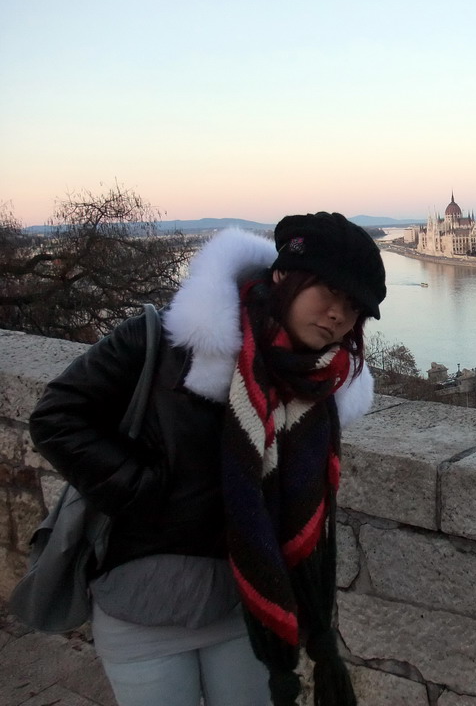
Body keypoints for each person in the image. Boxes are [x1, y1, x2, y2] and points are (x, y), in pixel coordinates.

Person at [29, 212, 386, 706]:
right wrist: (143, 488)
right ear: (284, 275)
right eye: (328, 292)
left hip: (244, 614)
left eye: (354, 308)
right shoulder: (167, 340)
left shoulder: (319, 388)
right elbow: (56, 417)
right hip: (141, 606)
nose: (337, 316)